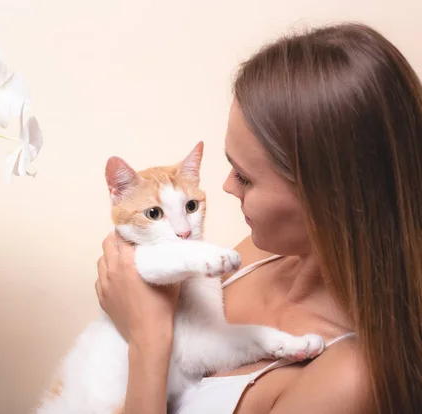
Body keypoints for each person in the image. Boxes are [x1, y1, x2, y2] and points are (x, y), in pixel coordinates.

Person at [95, 22, 422, 414]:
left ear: (326, 196)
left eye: (246, 177)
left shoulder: (346, 381)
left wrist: (148, 341)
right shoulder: (250, 256)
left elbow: (153, 337)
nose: (228, 187)